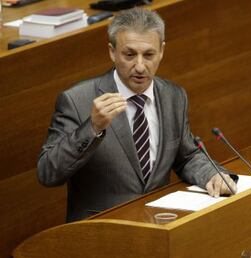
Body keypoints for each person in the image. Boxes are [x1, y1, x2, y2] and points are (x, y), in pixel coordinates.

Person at [37, 7, 237, 222]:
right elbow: (48, 173)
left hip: (158, 225)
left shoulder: (173, 96)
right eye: (129, 54)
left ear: (161, 51)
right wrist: (92, 127)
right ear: (112, 52)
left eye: (148, 54)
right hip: (101, 231)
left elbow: (186, 156)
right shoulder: (77, 100)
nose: (140, 66)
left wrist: (212, 174)